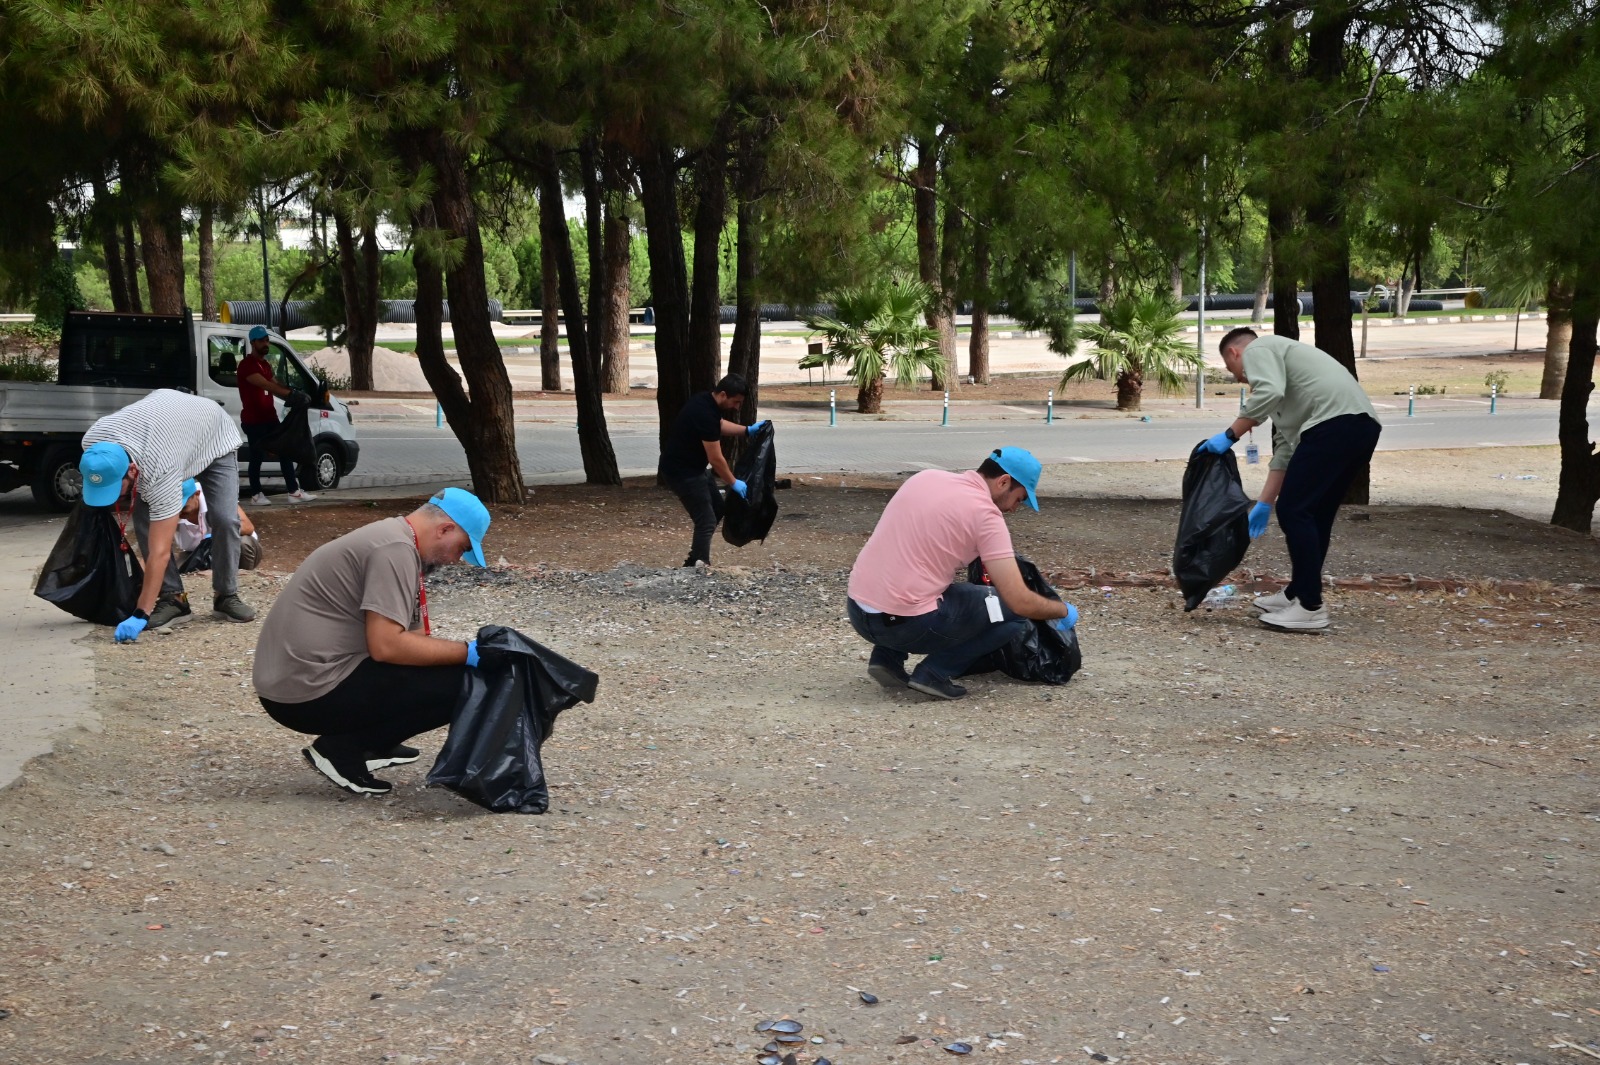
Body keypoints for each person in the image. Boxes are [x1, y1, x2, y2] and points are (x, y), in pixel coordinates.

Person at [252, 487, 492, 796]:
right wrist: (469, 653)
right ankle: (343, 750)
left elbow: (417, 641)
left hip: (295, 681)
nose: (457, 559)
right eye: (462, 548)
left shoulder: (399, 540)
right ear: (445, 528)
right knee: (464, 682)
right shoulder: (394, 549)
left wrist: (461, 656)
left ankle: (376, 744)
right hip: (303, 694)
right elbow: (387, 646)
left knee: (444, 673)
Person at [846, 447, 1079, 701]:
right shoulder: (986, 516)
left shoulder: (926, 478)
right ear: (1004, 482)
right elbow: (1018, 600)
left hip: (858, 611)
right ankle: (934, 673)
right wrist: (1062, 610)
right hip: (905, 626)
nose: (1014, 509)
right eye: (1020, 499)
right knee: (1011, 614)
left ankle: (886, 659)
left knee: (920, 584)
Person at [1197, 327, 1382, 632]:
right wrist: (1264, 503)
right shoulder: (1288, 393)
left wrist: (1230, 435)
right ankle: (1298, 593)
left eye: (1234, 371)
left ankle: (1310, 607)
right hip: (1359, 430)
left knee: (1296, 511)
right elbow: (1286, 451)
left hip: (1336, 426)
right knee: (1315, 515)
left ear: (1235, 353)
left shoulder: (1259, 349)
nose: (1239, 379)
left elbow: (1268, 392)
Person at [79, 389, 257, 637]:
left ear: (131, 471)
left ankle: (226, 595)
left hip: (214, 436)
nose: (112, 499)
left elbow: (161, 552)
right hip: (169, 432)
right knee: (144, 517)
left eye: (114, 489)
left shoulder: (159, 469)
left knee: (225, 519)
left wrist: (141, 613)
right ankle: (174, 599)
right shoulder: (93, 443)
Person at [658, 372, 768, 568]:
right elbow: (716, 459)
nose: (737, 407)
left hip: (694, 467)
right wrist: (734, 483)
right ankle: (699, 563)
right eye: (735, 402)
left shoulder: (706, 401)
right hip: (681, 472)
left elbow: (719, 425)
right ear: (723, 394)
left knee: (717, 508)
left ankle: (695, 559)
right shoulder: (705, 413)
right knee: (707, 520)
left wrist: (746, 430)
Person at [238, 324, 315, 506]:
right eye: (262, 340)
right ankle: (256, 494)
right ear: (253, 342)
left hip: (269, 417)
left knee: (284, 450)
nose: (266, 343)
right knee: (256, 456)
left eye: (267, 340)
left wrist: (293, 393)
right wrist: (290, 395)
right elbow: (266, 385)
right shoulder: (247, 366)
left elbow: (276, 384)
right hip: (253, 420)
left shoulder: (264, 365)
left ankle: (293, 491)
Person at [175, 479, 262, 573]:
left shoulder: (216, 494)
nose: (179, 512)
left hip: (229, 546)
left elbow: (247, 526)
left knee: (243, 544)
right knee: (177, 574)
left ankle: (242, 579)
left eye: (184, 507)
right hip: (193, 552)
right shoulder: (167, 509)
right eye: (176, 509)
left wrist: (216, 535)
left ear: (196, 494)